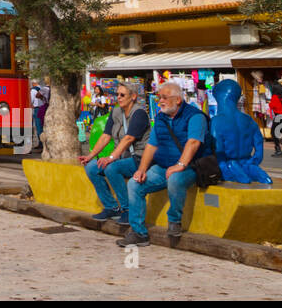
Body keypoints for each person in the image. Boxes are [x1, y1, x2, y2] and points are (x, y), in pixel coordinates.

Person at [118, 80, 207, 247]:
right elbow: (152, 145)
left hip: (190, 167)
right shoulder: (160, 118)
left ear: (178, 99)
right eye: (159, 98)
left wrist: (180, 165)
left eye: (164, 97)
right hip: (162, 167)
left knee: (175, 179)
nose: (160, 101)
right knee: (134, 184)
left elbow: (193, 142)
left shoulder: (195, 116)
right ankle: (138, 233)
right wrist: (142, 169)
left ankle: (174, 221)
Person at [80, 80, 150, 226]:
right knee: (92, 167)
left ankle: (128, 209)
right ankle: (111, 207)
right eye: (117, 94)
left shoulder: (139, 113)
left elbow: (128, 138)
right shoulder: (116, 111)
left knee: (112, 167)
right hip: (122, 157)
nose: (118, 97)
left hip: (138, 157)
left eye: (122, 95)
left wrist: (111, 157)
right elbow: (106, 136)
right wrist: (90, 156)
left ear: (133, 96)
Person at [268, 82, 282, 158]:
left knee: (274, 133)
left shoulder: (275, 97)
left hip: (279, 117)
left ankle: (278, 150)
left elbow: (272, 106)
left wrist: (269, 103)